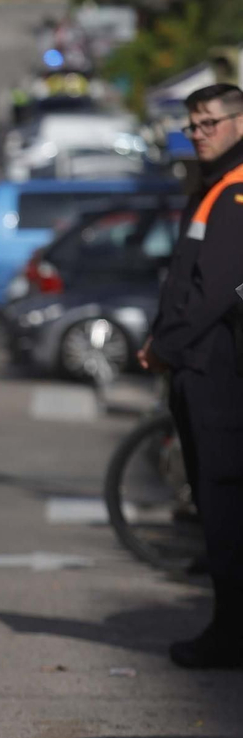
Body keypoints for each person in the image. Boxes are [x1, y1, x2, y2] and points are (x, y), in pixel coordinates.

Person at [140, 83, 243, 670]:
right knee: (220, 503)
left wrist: (165, 348)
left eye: (209, 124)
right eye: (193, 125)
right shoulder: (212, 188)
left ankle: (229, 637)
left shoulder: (234, 192)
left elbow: (216, 292)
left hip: (216, 369)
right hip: (201, 363)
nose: (199, 134)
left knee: (223, 502)